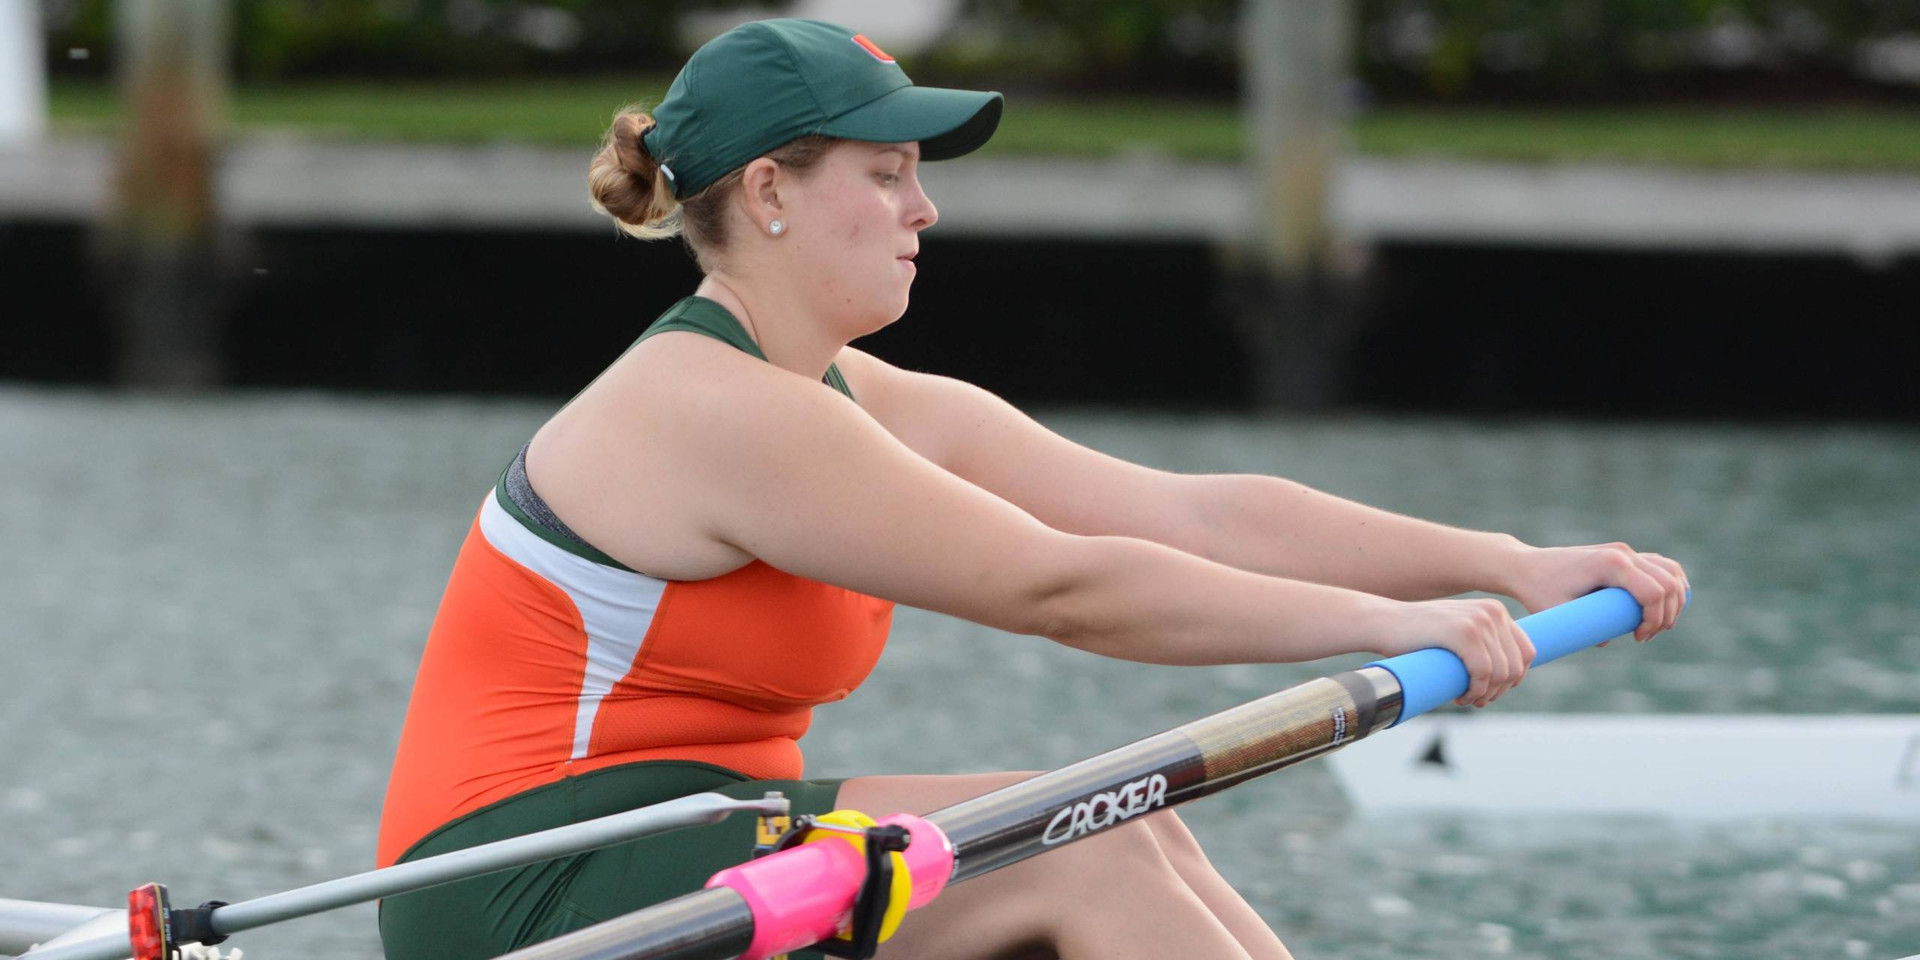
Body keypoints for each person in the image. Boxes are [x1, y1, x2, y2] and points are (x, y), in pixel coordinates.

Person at [375, 17, 1689, 960]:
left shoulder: (855, 395)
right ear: (769, 191)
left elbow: (1187, 513)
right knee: (1085, 840)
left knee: (1136, 827)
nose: (923, 209)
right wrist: (1391, 623)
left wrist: (1508, 563)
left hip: (704, 839)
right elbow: (1062, 590)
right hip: (537, 897)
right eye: (886, 174)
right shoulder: (708, 410)